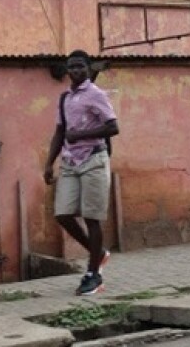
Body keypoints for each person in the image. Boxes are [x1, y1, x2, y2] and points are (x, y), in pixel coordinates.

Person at [44, 50, 119, 295]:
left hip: (94, 159)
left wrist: (81, 135)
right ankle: (98, 253)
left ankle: (93, 274)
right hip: (69, 162)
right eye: (71, 67)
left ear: (88, 68)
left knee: (91, 217)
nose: (75, 71)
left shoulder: (96, 95)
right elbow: (60, 132)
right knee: (63, 213)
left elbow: (112, 126)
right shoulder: (65, 98)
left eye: (80, 67)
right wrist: (48, 163)